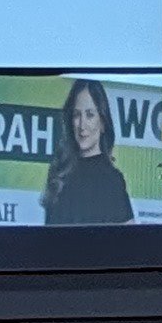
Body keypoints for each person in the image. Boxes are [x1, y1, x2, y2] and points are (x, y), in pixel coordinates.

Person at [39, 77, 138, 226]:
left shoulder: (112, 180)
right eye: (77, 115)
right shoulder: (59, 173)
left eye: (90, 115)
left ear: (103, 122)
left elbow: (130, 239)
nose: (82, 125)